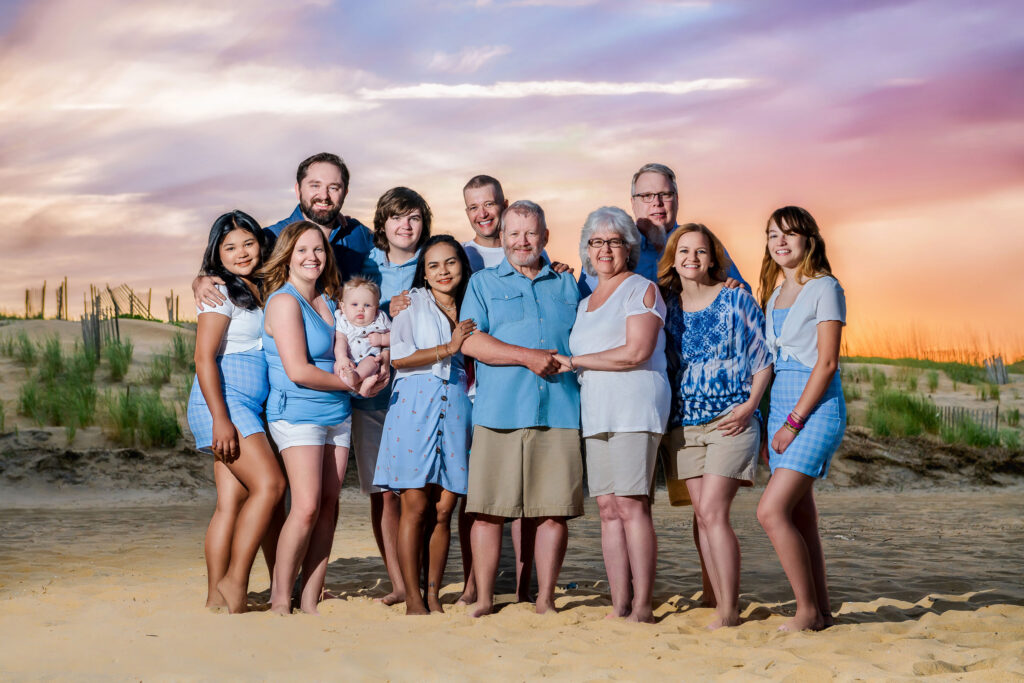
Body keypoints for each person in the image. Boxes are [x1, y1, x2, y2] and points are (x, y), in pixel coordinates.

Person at [460, 200, 582, 617]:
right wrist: (527, 356)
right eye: (513, 233)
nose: (521, 241)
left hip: (562, 410)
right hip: (499, 411)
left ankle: (544, 599)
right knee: (489, 511)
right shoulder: (482, 283)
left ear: (545, 236)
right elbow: (471, 343)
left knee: (553, 512)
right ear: (502, 237)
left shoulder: (570, 284)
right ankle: (486, 599)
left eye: (530, 233)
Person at [558, 207, 670, 623]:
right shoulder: (586, 301)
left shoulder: (641, 289)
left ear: (630, 247)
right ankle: (619, 602)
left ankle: (642, 604)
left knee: (632, 505)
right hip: (597, 410)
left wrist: (574, 361)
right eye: (597, 241)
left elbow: (636, 352)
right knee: (607, 507)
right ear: (587, 250)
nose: (605, 249)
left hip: (634, 407)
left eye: (615, 241)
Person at [658, 223, 772, 629]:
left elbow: (763, 361)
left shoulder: (735, 300)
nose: (692, 258)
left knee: (712, 511)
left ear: (712, 257)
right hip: (684, 425)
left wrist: (751, 407)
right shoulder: (665, 306)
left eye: (701, 251)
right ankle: (717, 600)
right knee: (703, 517)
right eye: (683, 251)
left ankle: (728, 610)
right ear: (672, 258)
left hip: (731, 419)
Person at [186, 211, 286, 613]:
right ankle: (233, 582)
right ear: (217, 253)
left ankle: (216, 598)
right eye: (230, 247)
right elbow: (203, 359)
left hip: (247, 404)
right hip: (224, 402)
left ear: (260, 244)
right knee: (271, 487)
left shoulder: (262, 287)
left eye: (247, 243)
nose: (241, 253)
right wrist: (221, 419)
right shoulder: (219, 292)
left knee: (233, 503)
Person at [373, 235, 476, 615]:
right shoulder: (411, 303)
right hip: (414, 405)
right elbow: (399, 358)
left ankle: (433, 593)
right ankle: (413, 598)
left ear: (462, 266)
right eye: (433, 265)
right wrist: (449, 348)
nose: (443, 271)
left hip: (457, 406)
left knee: (445, 508)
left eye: (450, 262)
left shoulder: (473, 304)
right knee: (415, 506)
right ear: (424, 272)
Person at [755, 206, 846, 632]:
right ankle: (823, 612)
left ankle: (806, 611)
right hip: (780, 407)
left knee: (770, 512)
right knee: (801, 516)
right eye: (773, 234)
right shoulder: (774, 294)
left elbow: (826, 363)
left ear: (809, 238)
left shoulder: (825, 287)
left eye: (790, 234)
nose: (781, 242)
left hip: (815, 407)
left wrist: (793, 422)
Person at [261, 221, 358, 615]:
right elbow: (298, 370)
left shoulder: (330, 302)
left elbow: (348, 346)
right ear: (287, 255)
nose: (311, 257)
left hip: (337, 413)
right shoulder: (284, 302)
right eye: (302, 250)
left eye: (318, 249)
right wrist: (349, 383)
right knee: (304, 507)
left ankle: (311, 598)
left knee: (329, 505)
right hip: (298, 413)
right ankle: (280, 599)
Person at [353, 187, 433, 606]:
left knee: (419, 491)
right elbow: (348, 309)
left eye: (414, 217)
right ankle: (399, 582)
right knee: (383, 492)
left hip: (420, 395)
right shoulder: (365, 264)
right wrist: (386, 304)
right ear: (382, 224)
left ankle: (422, 578)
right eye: (397, 217)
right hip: (373, 401)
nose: (406, 225)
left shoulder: (435, 260)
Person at [193, 153, 376, 308]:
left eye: (333, 188)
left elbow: (397, 257)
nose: (324, 195)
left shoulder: (359, 234)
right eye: (315, 186)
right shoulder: (271, 237)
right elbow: (236, 263)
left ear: (345, 193)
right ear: (298, 190)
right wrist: (202, 279)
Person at [577, 163, 747, 296]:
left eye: (665, 194)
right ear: (633, 203)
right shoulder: (608, 249)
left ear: (677, 200)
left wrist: (735, 288)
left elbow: (742, 292)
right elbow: (585, 301)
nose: (656, 202)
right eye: (646, 196)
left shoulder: (701, 244)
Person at [334, 277, 391, 396]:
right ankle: (357, 386)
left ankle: (358, 379)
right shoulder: (343, 321)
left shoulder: (380, 319)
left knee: (371, 362)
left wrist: (382, 339)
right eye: (354, 304)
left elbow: (396, 337)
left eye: (367, 305)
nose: (360, 309)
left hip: (370, 357)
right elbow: (340, 340)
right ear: (343, 307)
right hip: (350, 360)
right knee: (338, 367)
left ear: (376, 309)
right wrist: (342, 357)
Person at [461, 174, 509, 271]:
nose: (482, 214)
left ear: (505, 206)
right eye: (474, 208)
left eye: (489, 204)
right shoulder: (458, 256)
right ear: (467, 213)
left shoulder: (528, 251)